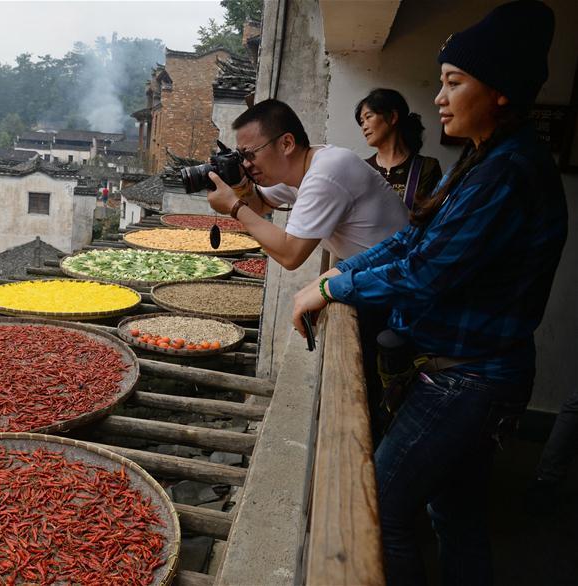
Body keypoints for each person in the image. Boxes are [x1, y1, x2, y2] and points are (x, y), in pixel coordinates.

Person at [291, 2, 566, 584]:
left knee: (382, 511)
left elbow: (426, 273)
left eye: (453, 82)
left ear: (499, 92)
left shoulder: (510, 172)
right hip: (465, 370)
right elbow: (412, 239)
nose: (439, 97)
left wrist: (336, 284)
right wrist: (332, 279)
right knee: (455, 513)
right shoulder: (483, 158)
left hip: (470, 379)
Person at [206, 99, 409, 270]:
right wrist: (240, 183)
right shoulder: (297, 167)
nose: (247, 164)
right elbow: (259, 205)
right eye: (241, 156)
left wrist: (234, 206)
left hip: (405, 278)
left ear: (286, 144)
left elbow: (290, 255)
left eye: (250, 155)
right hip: (383, 271)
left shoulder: (327, 172)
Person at [356, 88, 443, 209]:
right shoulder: (361, 168)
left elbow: (429, 217)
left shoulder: (426, 167)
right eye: (361, 121)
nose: (364, 127)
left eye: (368, 117)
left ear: (393, 117)